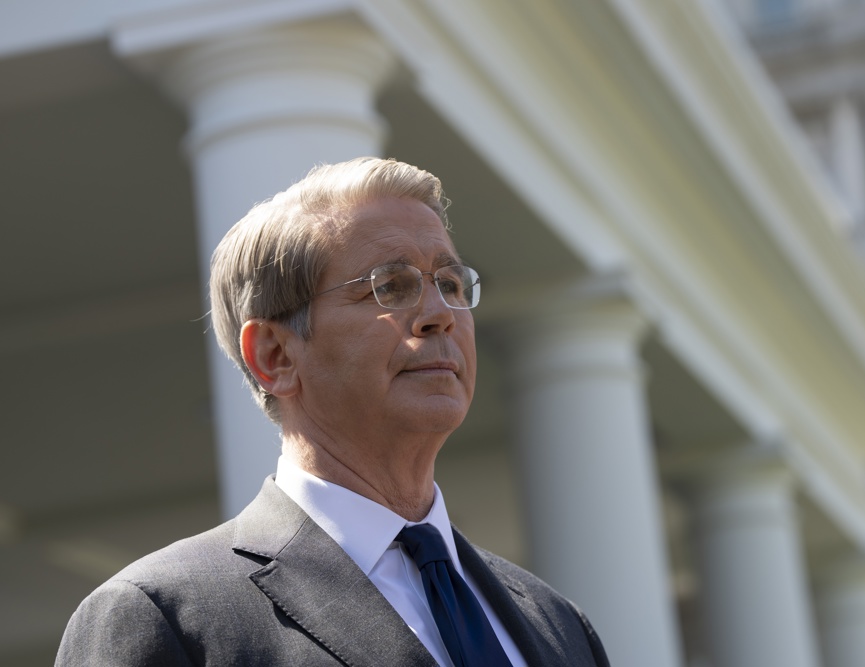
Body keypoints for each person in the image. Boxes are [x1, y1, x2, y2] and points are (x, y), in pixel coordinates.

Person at [56, 157, 610, 666]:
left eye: (449, 283)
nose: (440, 313)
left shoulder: (560, 625)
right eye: (389, 286)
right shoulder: (163, 618)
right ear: (275, 356)